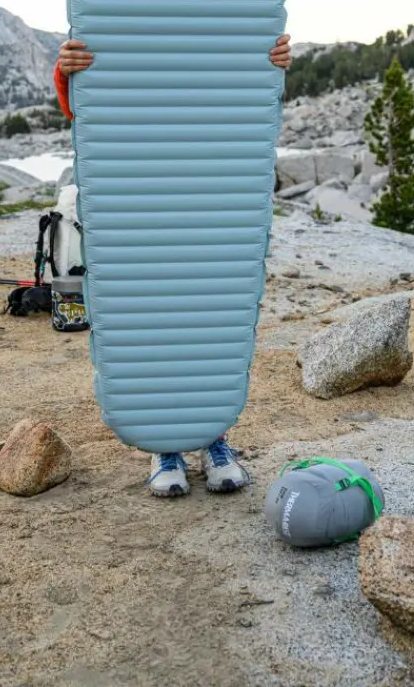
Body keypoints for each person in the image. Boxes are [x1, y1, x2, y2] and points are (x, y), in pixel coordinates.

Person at [52, 34, 293, 497]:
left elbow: (241, 107)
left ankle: (212, 437)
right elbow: (88, 111)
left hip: (207, 192)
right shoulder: (130, 39)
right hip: (139, 197)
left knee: (208, 314)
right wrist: (67, 74)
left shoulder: (206, 36)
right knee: (150, 316)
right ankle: (163, 444)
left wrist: (267, 61)